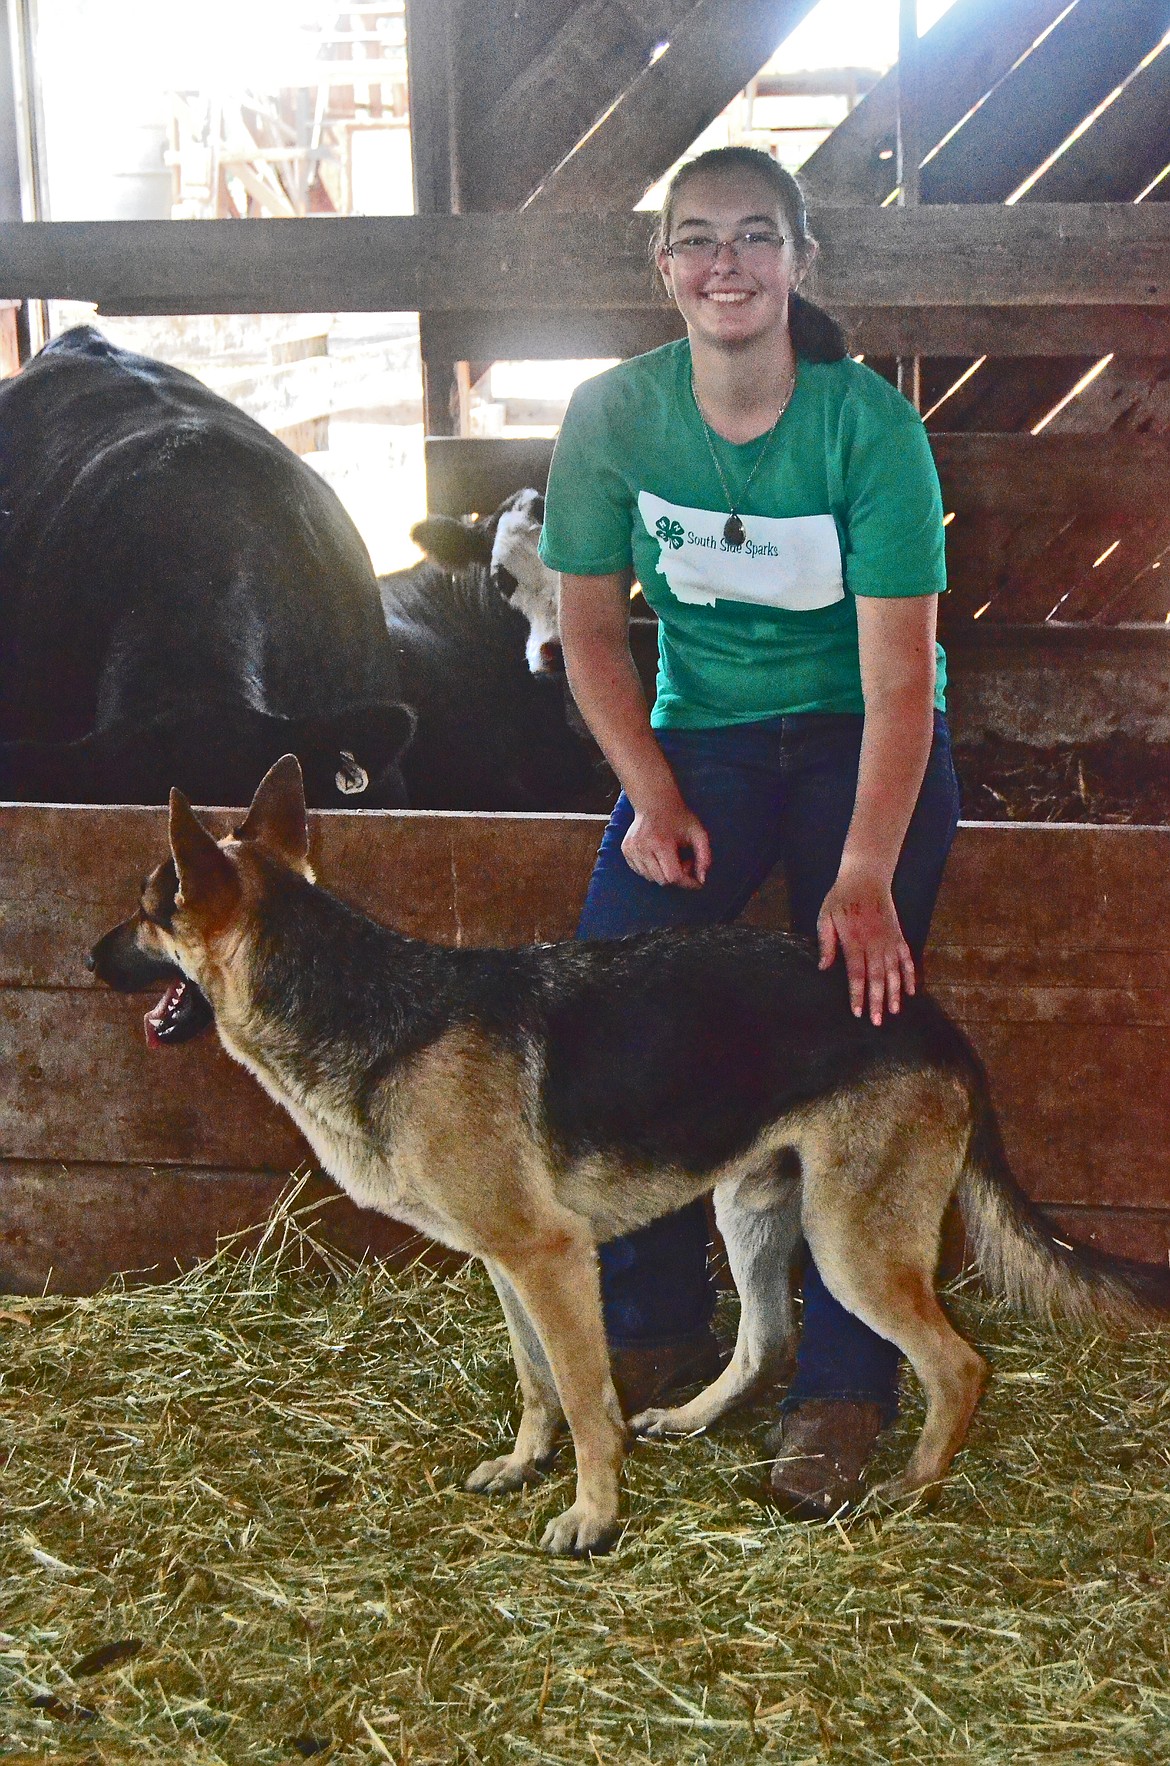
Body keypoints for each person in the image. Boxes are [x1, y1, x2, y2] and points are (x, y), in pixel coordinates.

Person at [537, 145, 959, 1520]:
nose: (727, 264)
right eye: (698, 239)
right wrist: (648, 790)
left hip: (861, 740)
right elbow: (589, 629)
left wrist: (860, 871)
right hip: (700, 739)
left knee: (856, 1017)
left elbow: (901, 677)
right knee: (611, 1009)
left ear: (797, 261)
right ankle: (646, 1321)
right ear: (661, 268)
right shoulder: (612, 416)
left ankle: (841, 1383)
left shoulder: (864, 429)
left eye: (756, 238)